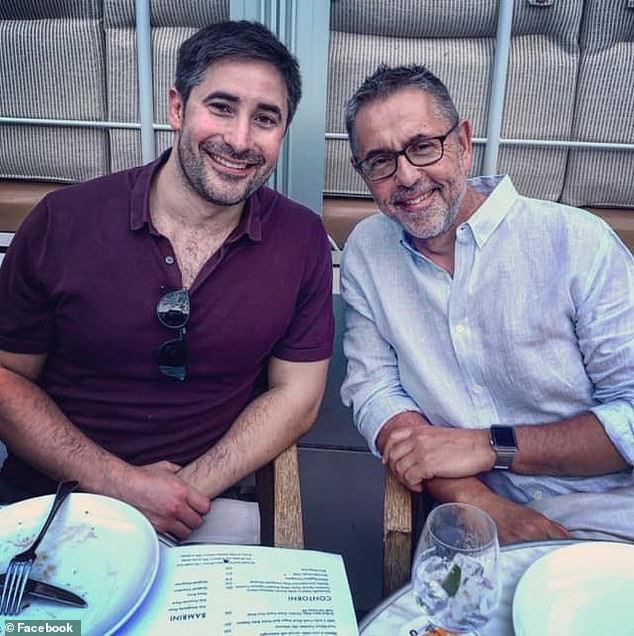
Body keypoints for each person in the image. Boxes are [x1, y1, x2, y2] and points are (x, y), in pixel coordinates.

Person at [0, 21, 333, 542]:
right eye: (221, 107)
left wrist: (179, 496)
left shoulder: (301, 238)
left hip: (205, 505)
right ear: (178, 108)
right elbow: (6, 378)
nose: (240, 140)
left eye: (265, 119)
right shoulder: (63, 220)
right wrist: (121, 486)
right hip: (56, 500)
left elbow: (299, 396)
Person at [340, 64, 634, 544]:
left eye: (422, 147)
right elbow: (376, 393)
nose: (407, 176)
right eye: (379, 161)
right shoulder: (368, 251)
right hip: (470, 525)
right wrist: (485, 507)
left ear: (463, 141)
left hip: (610, 522)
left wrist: (489, 446)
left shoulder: (577, 242)